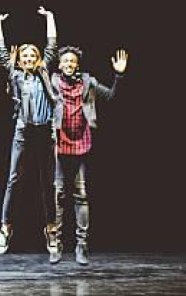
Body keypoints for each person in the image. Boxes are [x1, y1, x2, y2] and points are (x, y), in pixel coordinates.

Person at [0, 7, 61, 262]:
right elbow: (1, 53)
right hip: (23, 130)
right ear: (20, 59)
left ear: (39, 58)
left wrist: (49, 18)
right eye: (25, 54)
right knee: (13, 180)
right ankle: (5, 227)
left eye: (34, 54)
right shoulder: (15, 73)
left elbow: (52, 46)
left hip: (45, 132)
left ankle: (51, 229)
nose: (30, 57)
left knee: (49, 184)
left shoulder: (44, 72)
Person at [51, 46, 127, 265]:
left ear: (77, 65)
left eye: (72, 61)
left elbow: (111, 96)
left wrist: (118, 75)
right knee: (57, 195)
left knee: (80, 195)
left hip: (80, 145)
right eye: (65, 60)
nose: (68, 64)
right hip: (58, 145)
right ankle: (56, 245)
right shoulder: (52, 81)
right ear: (59, 64)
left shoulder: (88, 82)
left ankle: (81, 246)